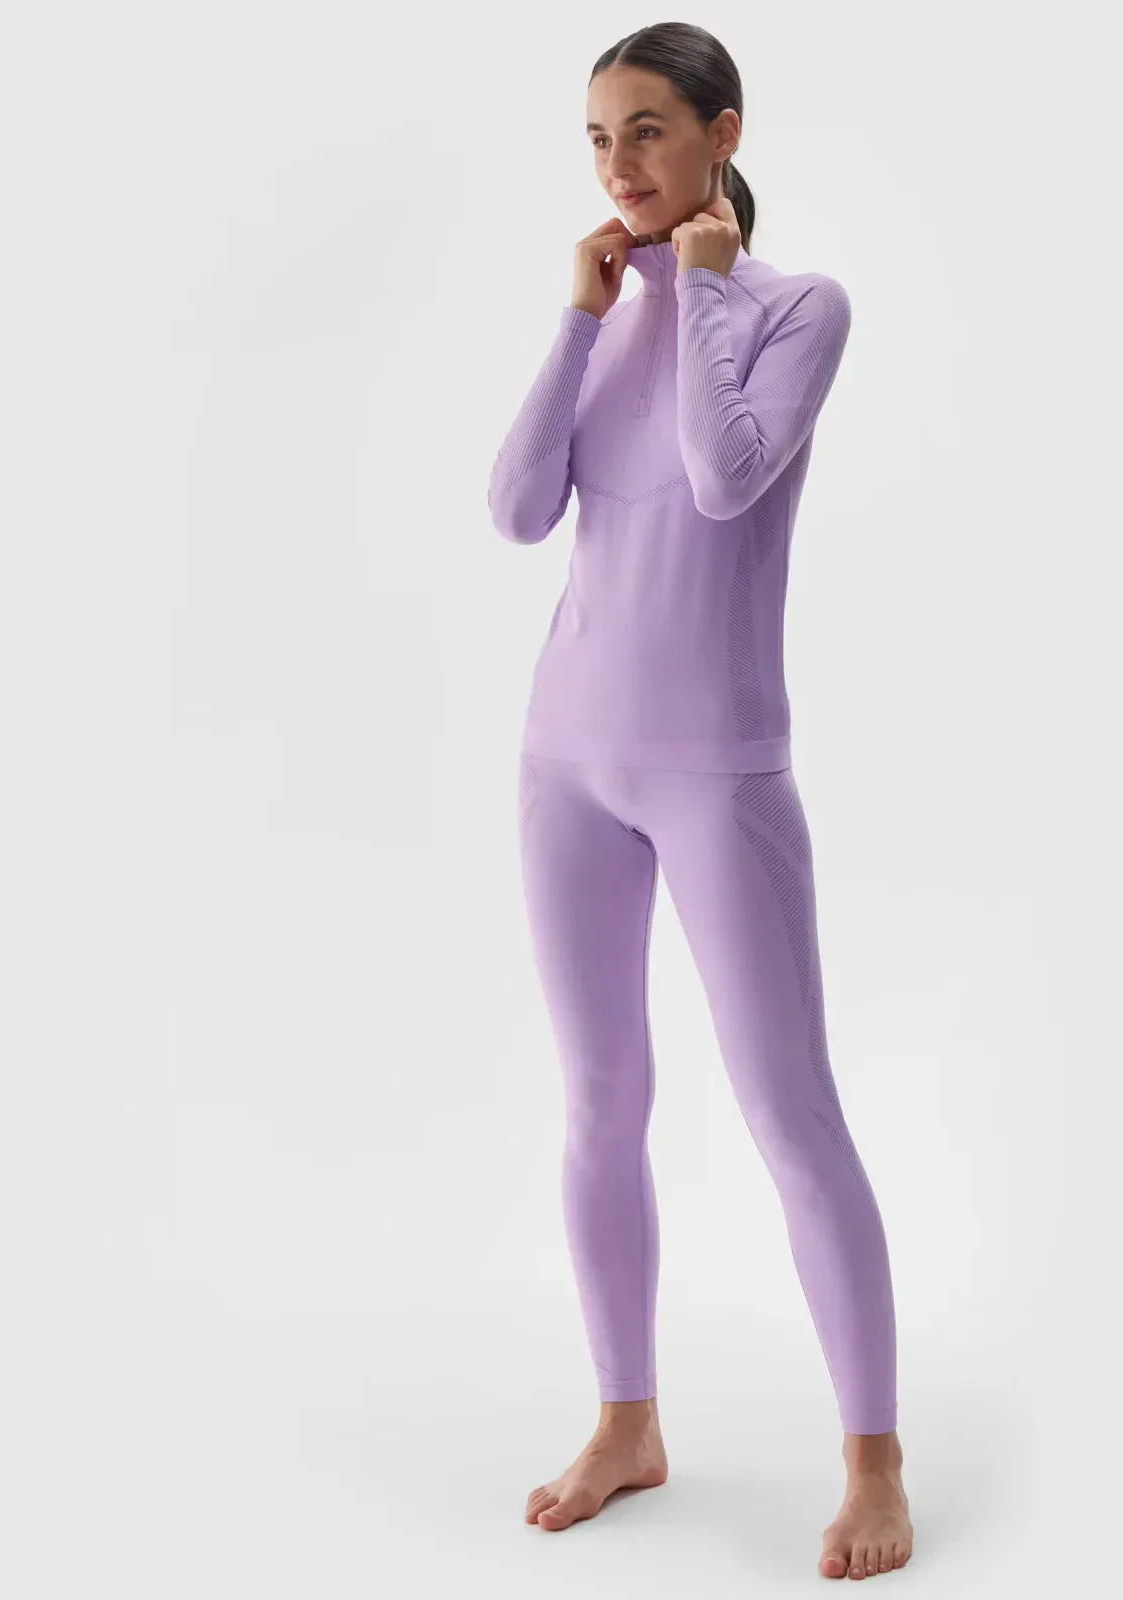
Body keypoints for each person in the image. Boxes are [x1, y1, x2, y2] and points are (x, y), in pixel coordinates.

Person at [485, 21, 914, 1582]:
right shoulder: (607, 313)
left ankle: (874, 1463)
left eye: (649, 130)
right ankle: (627, 1423)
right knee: (601, 1103)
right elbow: (517, 508)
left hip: (718, 768)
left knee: (792, 1114)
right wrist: (576, 317)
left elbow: (727, 475)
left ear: (723, 133)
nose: (620, 165)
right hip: (566, 760)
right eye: (600, 137)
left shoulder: (798, 308)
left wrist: (711, 287)